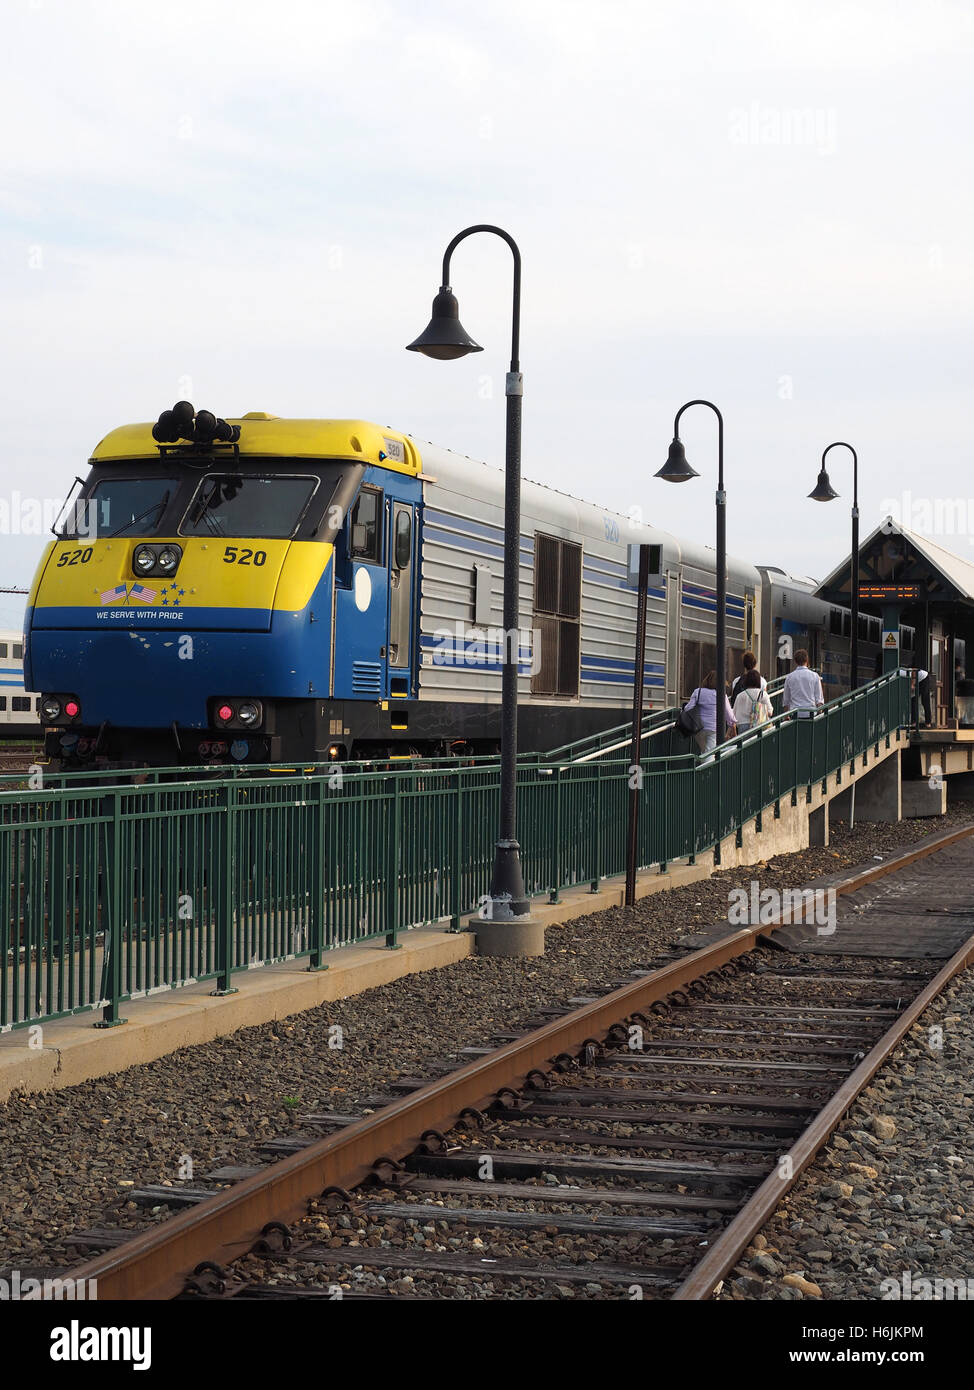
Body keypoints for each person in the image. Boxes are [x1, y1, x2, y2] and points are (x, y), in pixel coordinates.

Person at [684, 670, 736, 754]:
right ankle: (705, 766)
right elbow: (729, 715)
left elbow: (688, 708)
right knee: (709, 755)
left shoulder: (698, 692)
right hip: (713, 728)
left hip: (698, 728)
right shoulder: (721, 695)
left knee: (704, 752)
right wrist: (732, 726)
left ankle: (702, 764)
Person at [782, 649, 824, 717]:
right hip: (811, 713)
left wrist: (786, 716)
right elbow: (819, 699)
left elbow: (786, 701)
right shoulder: (815, 676)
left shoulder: (789, 677)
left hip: (795, 713)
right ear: (807, 660)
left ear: (795, 661)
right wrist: (819, 713)